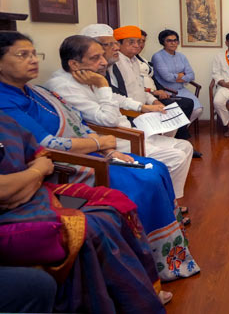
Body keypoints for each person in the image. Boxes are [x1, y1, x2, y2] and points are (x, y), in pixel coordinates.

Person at [0, 31, 199, 281]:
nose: (33, 60)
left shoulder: (38, 91)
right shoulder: (6, 100)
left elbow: (77, 121)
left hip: (95, 150)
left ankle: (166, 256)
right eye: (22, 55)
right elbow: (47, 144)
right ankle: (145, 265)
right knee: (146, 178)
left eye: (33, 53)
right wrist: (100, 142)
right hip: (70, 165)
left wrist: (108, 148)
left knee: (156, 168)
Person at [0, 110, 171, 312]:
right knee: (91, 227)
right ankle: (127, 303)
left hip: (37, 194)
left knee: (115, 203)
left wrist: (27, 181)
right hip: (13, 215)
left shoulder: (10, 117)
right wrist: (35, 174)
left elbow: (42, 158)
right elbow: (11, 187)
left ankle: (143, 290)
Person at [46, 35, 193, 200]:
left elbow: (115, 97)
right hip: (116, 140)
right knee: (177, 157)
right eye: (96, 58)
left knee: (185, 147)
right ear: (74, 64)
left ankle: (171, 200)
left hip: (128, 131)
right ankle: (166, 201)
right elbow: (108, 120)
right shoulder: (66, 87)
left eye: (103, 55)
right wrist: (102, 84)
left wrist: (143, 106)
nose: (103, 62)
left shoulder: (86, 75)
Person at [85, 25, 198, 153]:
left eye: (139, 42)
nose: (137, 45)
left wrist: (153, 101)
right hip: (131, 115)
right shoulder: (114, 64)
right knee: (174, 135)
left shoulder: (135, 61)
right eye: (131, 42)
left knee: (175, 119)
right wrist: (143, 108)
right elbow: (115, 96)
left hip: (141, 108)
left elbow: (140, 88)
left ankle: (176, 141)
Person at [151, 29, 203, 123]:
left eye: (175, 40)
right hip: (166, 92)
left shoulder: (181, 56)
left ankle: (180, 129)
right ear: (163, 42)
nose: (173, 43)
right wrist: (180, 76)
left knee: (198, 109)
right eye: (169, 41)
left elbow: (191, 75)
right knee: (176, 111)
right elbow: (166, 77)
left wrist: (179, 78)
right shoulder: (157, 56)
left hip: (181, 90)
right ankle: (178, 130)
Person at [137, 29, 171, 100]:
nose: (141, 44)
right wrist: (154, 92)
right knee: (185, 104)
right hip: (145, 95)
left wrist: (161, 90)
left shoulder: (142, 59)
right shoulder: (158, 56)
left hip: (155, 93)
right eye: (138, 41)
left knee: (187, 103)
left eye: (143, 41)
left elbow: (152, 77)